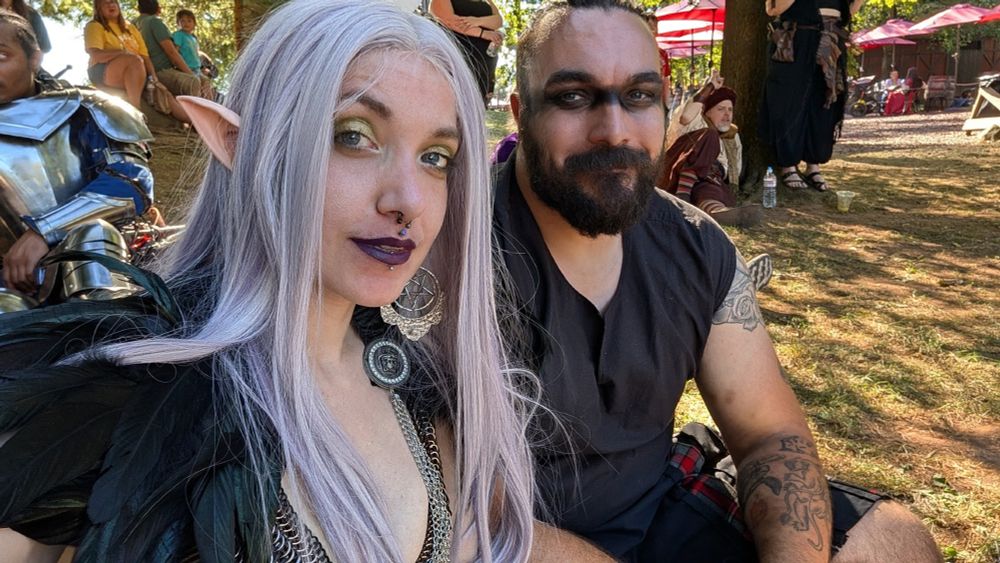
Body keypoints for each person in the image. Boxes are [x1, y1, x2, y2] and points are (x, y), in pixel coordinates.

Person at [0, 1, 610, 561]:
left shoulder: (427, 384)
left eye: (435, 157)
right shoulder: (108, 407)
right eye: (354, 137)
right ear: (242, 145)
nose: (408, 201)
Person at [496, 1, 942, 561]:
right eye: (573, 97)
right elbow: (448, 503)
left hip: (659, 508)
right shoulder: (449, 252)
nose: (614, 131)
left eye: (638, 95)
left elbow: (768, 436)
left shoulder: (695, 245)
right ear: (521, 114)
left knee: (896, 541)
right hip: (511, 536)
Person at [0, 9, 154, 299]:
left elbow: (131, 181)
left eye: (1, 55)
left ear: (34, 58)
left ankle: (109, 321)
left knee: (93, 235)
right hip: (10, 287)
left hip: (95, 257)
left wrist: (45, 231)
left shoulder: (87, 107)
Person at [760, 0, 867, 192]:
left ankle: (813, 165)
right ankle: (788, 165)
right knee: (789, 102)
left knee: (824, 104)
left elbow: (848, 12)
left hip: (830, 43)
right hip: (796, 42)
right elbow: (772, 9)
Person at [659, 71, 761, 227]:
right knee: (710, 136)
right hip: (674, 175)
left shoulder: (733, 137)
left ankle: (716, 212)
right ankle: (683, 197)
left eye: (730, 110)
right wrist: (710, 86)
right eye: (721, 109)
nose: (727, 114)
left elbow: (733, 172)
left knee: (709, 184)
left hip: (703, 180)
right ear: (707, 111)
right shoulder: (695, 122)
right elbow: (686, 116)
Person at [84, 0, 189, 122]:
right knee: (134, 60)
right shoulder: (95, 25)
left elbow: (145, 56)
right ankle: (135, 111)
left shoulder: (130, 27)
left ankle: (195, 125)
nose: (111, 5)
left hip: (137, 71)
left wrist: (153, 79)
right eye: (105, 3)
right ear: (98, 8)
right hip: (102, 69)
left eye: (113, 2)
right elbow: (95, 54)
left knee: (166, 97)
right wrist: (123, 53)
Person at [134, 0, 211, 100]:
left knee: (205, 81)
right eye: (182, 21)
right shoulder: (155, 22)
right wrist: (190, 74)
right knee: (193, 82)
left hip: (146, 69)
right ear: (158, 9)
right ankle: (194, 109)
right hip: (162, 70)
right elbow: (172, 52)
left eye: (189, 21)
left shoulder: (133, 23)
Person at [429, 0, 502, 105]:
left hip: (484, 64)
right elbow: (449, 21)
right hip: (457, 59)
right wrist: (483, 33)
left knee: (479, 105)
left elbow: (498, 21)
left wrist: (476, 21)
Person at [171, 8, 213, 97]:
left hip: (197, 69)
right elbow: (174, 52)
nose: (186, 23)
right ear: (178, 23)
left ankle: (209, 102)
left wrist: (202, 68)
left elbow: (195, 55)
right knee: (195, 86)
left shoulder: (193, 38)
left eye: (189, 21)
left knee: (206, 83)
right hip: (186, 69)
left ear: (194, 24)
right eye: (182, 21)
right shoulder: (179, 35)